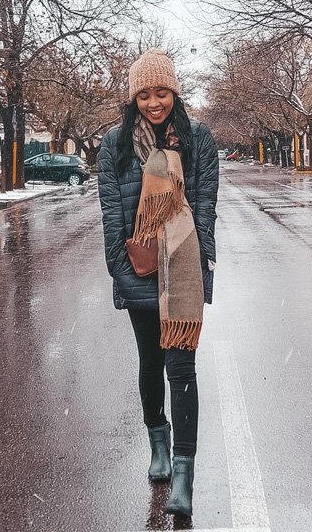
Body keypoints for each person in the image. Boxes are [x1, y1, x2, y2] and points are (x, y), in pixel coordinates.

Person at [97, 49, 219, 517]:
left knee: (182, 369)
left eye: (162, 92)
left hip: (183, 268)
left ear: (175, 93)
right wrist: (119, 266)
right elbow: (111, 212)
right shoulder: (115, 144)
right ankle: (159, 443)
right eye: (144, 94)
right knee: (150, 361)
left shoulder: (197, 138)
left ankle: (184, 472)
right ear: (133, 98)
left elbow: (206, 202)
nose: (154, 102)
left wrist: (202, 258)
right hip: (138, 266)